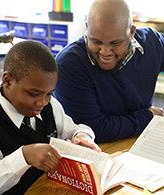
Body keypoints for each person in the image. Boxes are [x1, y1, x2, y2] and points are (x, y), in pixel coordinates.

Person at [0, 40, 101, 195]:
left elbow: (73, 128)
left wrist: (81, 136)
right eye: (33, 94)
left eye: (49, 93)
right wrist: (23, 157)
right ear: (7, 81)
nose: (42, 102)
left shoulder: (49, 106)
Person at [54, 0, 164, 143]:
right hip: (99, 150)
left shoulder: (152, 42)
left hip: (142, 139)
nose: (105, 52)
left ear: (131, 32)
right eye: (96, 42)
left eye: (115, 43)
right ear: (87, 28)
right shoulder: (69, 64)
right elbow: (94, 130)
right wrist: (148, 117)